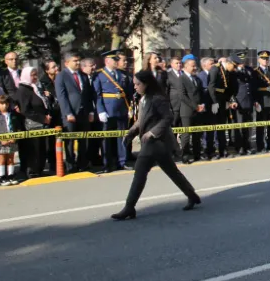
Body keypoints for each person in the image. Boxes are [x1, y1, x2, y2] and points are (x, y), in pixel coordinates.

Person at [111, 70, 200, 220]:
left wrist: (153, 132)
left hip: (156, 142)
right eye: (135, 84)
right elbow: (141, 120)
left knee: (140, 172)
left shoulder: (158, 99)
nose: (136, 87)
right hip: (153, 144)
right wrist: (131, 133)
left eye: (138, 84)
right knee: (172, 171)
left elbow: (167, 118)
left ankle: (129, 207)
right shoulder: (144, 99)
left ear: (147, 84)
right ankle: (192, 195)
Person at [94, 49, 134, 172]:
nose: (117, 62)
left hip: (121, 109)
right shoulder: (100, 75)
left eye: (117, 59)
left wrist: (129, 108)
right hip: (108, 110)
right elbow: (97, 94)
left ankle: (122, 161)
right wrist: (100, 110)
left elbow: (127, 94)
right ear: (107, 61)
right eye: (114, 60)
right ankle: (108, 163)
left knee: (121, 136)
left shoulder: (121, 74)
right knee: (107, 139)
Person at [54, 54, 94, 173]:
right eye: (75, 61)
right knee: (70, 141)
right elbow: (62, 96)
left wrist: (91, 111)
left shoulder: (83, 75)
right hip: (70, 113)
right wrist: (68, 113)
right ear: (67, 63)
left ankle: (83, 163)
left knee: (83, 140)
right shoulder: (61, 76)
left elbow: (88, 95)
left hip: (83, 112)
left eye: (78, 60)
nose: (77, 63)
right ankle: (71, 165)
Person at [15, 65, 52, 179]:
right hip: (32, 123)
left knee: (42, 147)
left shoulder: (35, 87)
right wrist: (42, 118)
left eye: (36, 74)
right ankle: (33, 170)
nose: (35, 77)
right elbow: (25, 110)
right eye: (32, 75)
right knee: (33, 148)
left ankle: (40, 169)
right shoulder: (23, 89)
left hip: (43, 122)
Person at [207, 56, 239, 159]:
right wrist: (214, 102)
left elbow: (228, 88)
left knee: (222, 126)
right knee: (212, 127)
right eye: (234, 66)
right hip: (214, 100)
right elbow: (211, 86)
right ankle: (210, 151)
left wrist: (229, 101)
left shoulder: (228, 71)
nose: (234, 68)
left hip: (223, 100)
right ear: (229, 63)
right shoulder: (215, 68)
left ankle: (222, 150)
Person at [251, 50, 270, 152]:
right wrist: (256, 101)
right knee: (261, 126)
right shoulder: (255, 72)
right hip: (261, 100)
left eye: (267, 59)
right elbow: (253, 88)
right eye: (263, 58)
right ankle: (260, 146)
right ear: (259, 60)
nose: (266, 60)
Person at [0, 95, 21, 185]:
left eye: (6, 103)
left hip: (12, 140)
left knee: (11, 158)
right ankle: (2, 177)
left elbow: (17, 127)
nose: (4, 106)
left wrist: (15, 137)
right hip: (1, 142)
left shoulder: (13, 115)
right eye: (2, 104)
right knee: (2, 159)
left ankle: (11, 175)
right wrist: (0, 140)